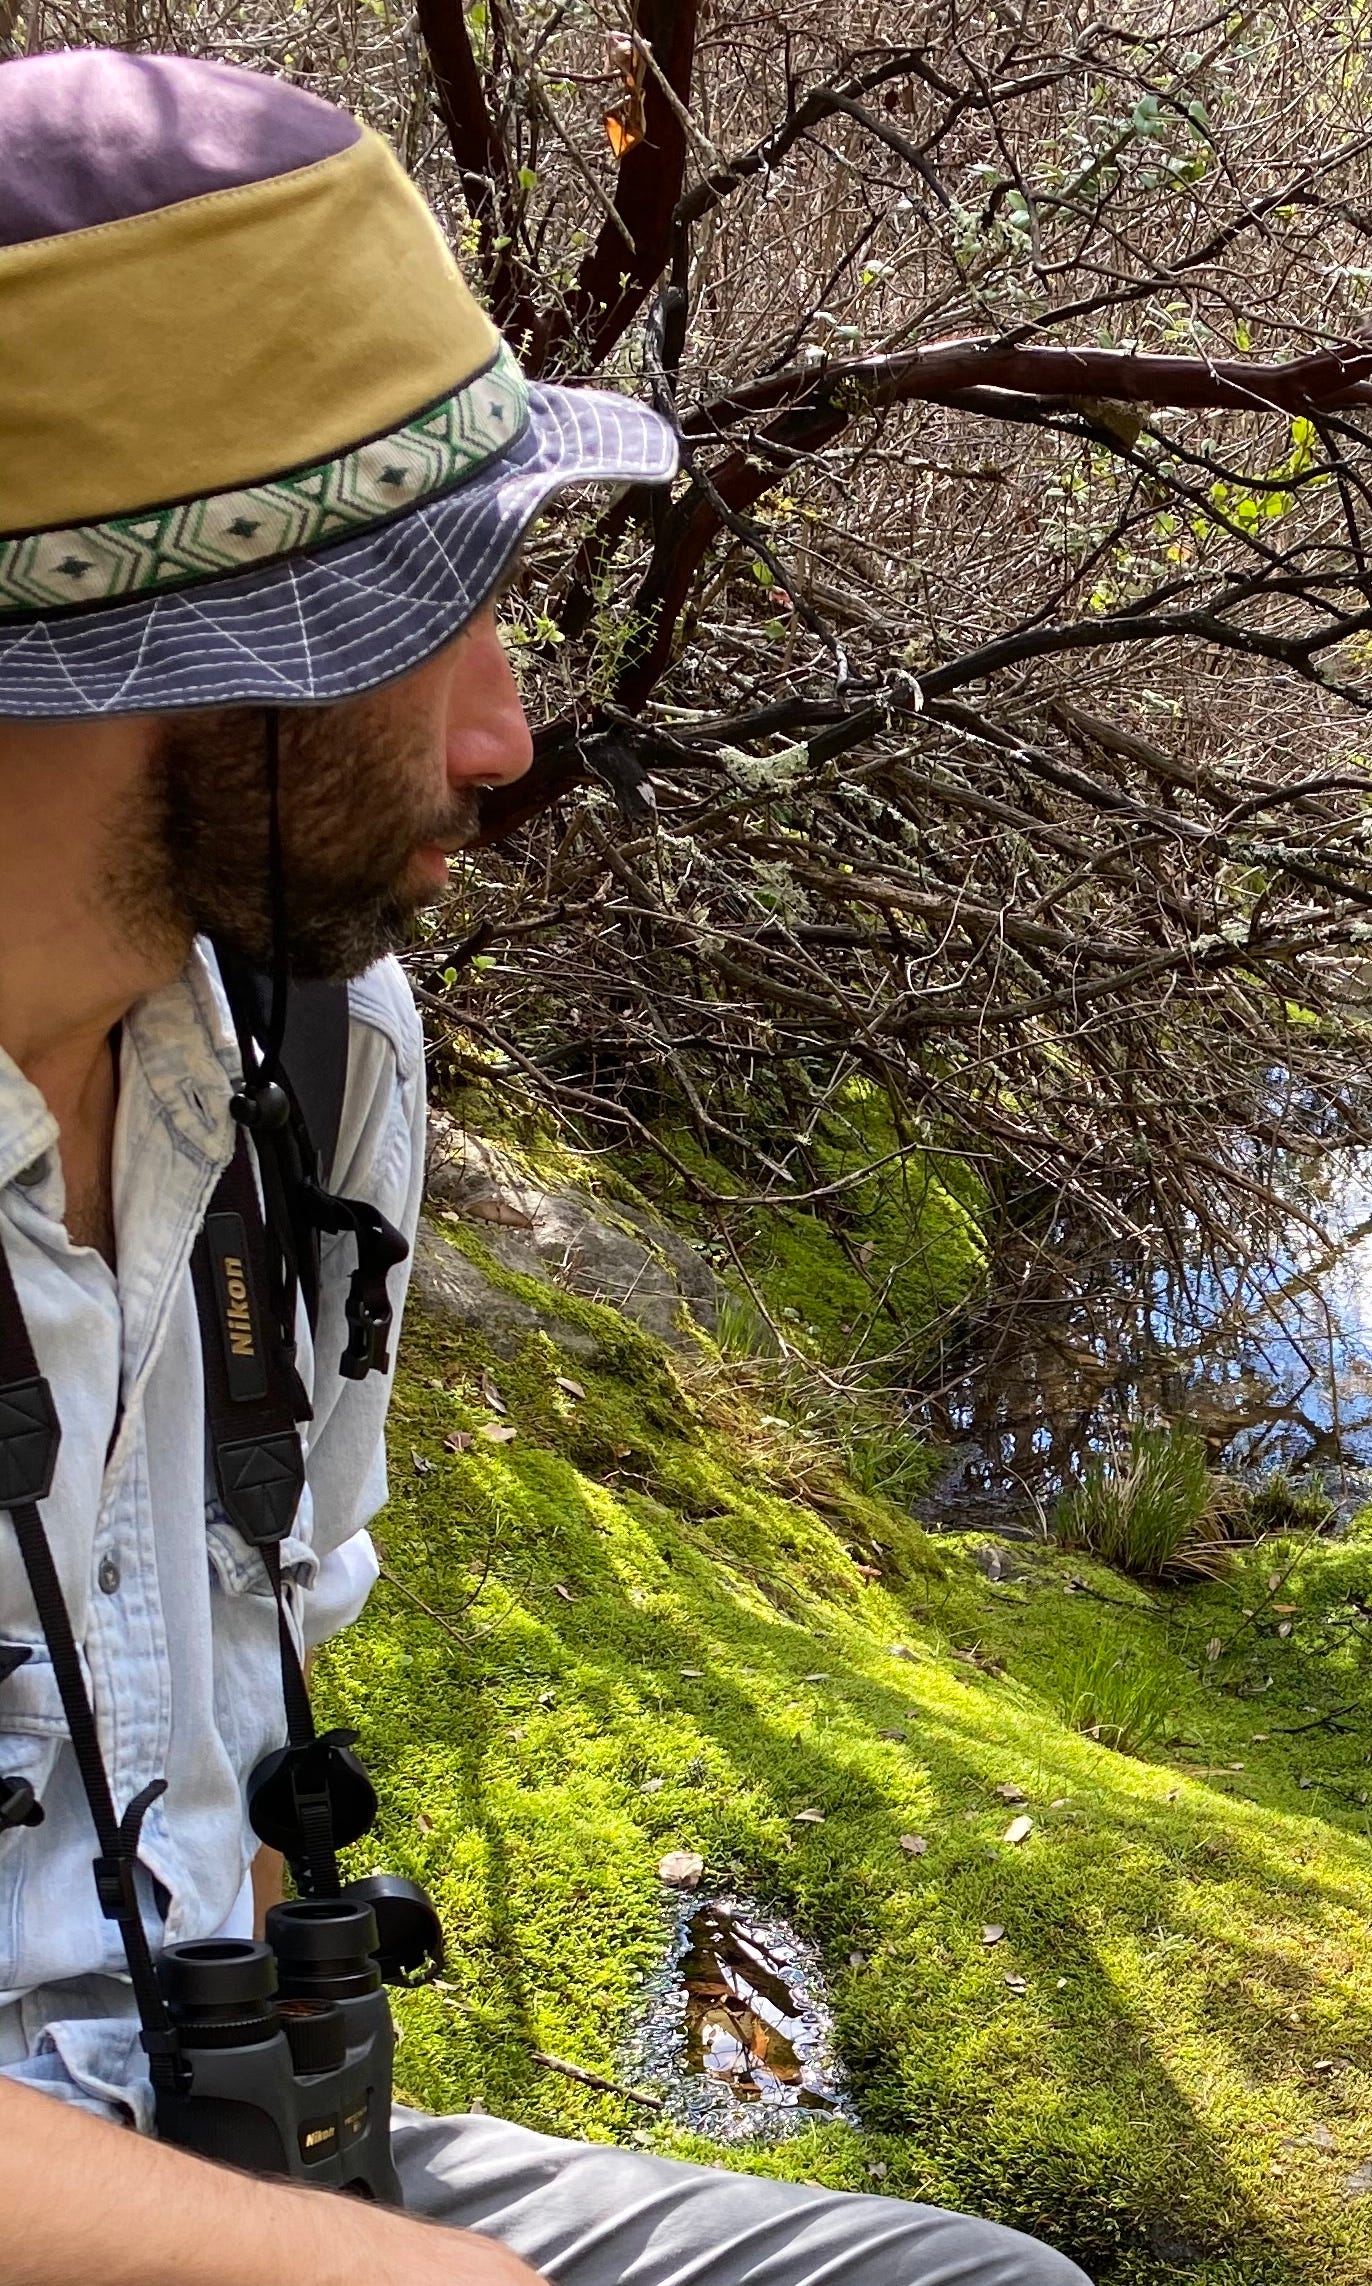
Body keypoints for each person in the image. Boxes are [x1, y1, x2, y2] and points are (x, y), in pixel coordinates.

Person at [0, 47, 1086, 2286]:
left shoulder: (317, 1059)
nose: (503, 731)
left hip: (242, 2141)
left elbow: (253, 1702)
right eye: (423, 620)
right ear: (149, 661)